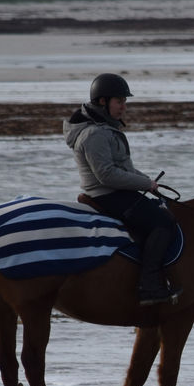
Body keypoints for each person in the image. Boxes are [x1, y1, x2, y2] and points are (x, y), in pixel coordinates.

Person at [63, 73, 181, 305]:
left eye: (125, 102)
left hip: (116, 192)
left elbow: (123, 168)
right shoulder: (93, 134)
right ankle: (149, 286)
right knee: (163, 223)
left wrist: (147, 181)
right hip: (108, 195)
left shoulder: (102, 128)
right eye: (120, 101)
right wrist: (146, 184)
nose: (124, 107)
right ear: (102, 102)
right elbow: (106, 174)